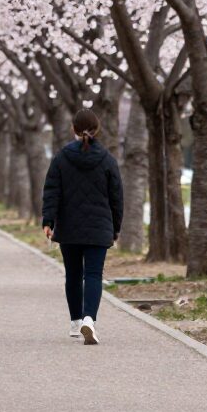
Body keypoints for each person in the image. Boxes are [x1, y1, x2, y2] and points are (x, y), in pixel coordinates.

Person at [41, 109, 124, 345]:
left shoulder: (61, 158)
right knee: (93, 274)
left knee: (73, 275)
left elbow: (51, 191)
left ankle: (75, 321)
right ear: (97, 129)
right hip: (99, 227)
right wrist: (115, 228)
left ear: (73, 129)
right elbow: (117, 198)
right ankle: (90, 319)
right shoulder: (107, 159)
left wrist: (48, 221)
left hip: (69, 227)